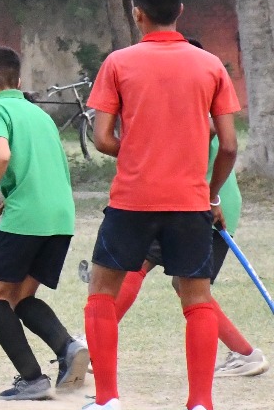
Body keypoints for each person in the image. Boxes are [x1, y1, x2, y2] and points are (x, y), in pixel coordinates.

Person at [73, 0, 240, 410]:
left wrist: (143, 148)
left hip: (131, 200)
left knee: (102, 291)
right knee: (197, 298)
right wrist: (209, 194)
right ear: (180, 11)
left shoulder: (119, 62)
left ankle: (106, 401)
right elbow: (227, 146)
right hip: (189, 203)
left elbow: (103, 137)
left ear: (137, 12)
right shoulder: (210, 66)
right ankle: (201, 407)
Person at [111, 40, 267, 379]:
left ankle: (95, 346)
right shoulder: (195, 96)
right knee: (187, 287)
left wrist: (211, 199)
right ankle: (246, 353)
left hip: (206, 203)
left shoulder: (201, 100)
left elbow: (219, 139)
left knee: (142, 268)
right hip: (199, 201)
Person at [0, 46, 88, 401]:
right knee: (21, 295)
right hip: (61, 217)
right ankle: (67, 347)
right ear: (19, 81)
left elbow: (2, 155)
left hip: (27, 217)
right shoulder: (38, 113)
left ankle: (31, 378)